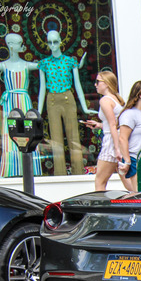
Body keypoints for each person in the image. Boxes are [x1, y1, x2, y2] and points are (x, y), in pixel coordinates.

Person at [38, 30, 97, 175]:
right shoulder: (43, 64)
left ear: (61, 41)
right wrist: (38, 112)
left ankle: (78, 173)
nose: (53, 45)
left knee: (73, 136)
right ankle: (60, 175)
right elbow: (42, 88)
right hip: (51, 100)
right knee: (56, 140)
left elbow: (78, 85)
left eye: (55, 41)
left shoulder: (70, 61)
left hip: (67, 98)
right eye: (50, 42)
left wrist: (84, 107)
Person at [0, 33, 43, 177]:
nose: (22, 46)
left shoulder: (27, 65)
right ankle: (11, 170)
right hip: (10, 102)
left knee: (28, 131)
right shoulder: (3, 65)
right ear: (11, 46)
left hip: (24, 101)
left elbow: (44, 65)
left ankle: (30, 170)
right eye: (19, 43)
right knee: (10, 133)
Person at [84, 71, 132, 191]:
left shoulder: (105, 100)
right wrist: (99, 125)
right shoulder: (117, 99)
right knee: (127, 181)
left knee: (100, 182)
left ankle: (101, 208)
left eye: (98, 82)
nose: (96, 85)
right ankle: (140, 202)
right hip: (119, 139)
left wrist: (116, 149)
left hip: (111, 142)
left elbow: (112, 125)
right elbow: (114, 124)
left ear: (106, 83)